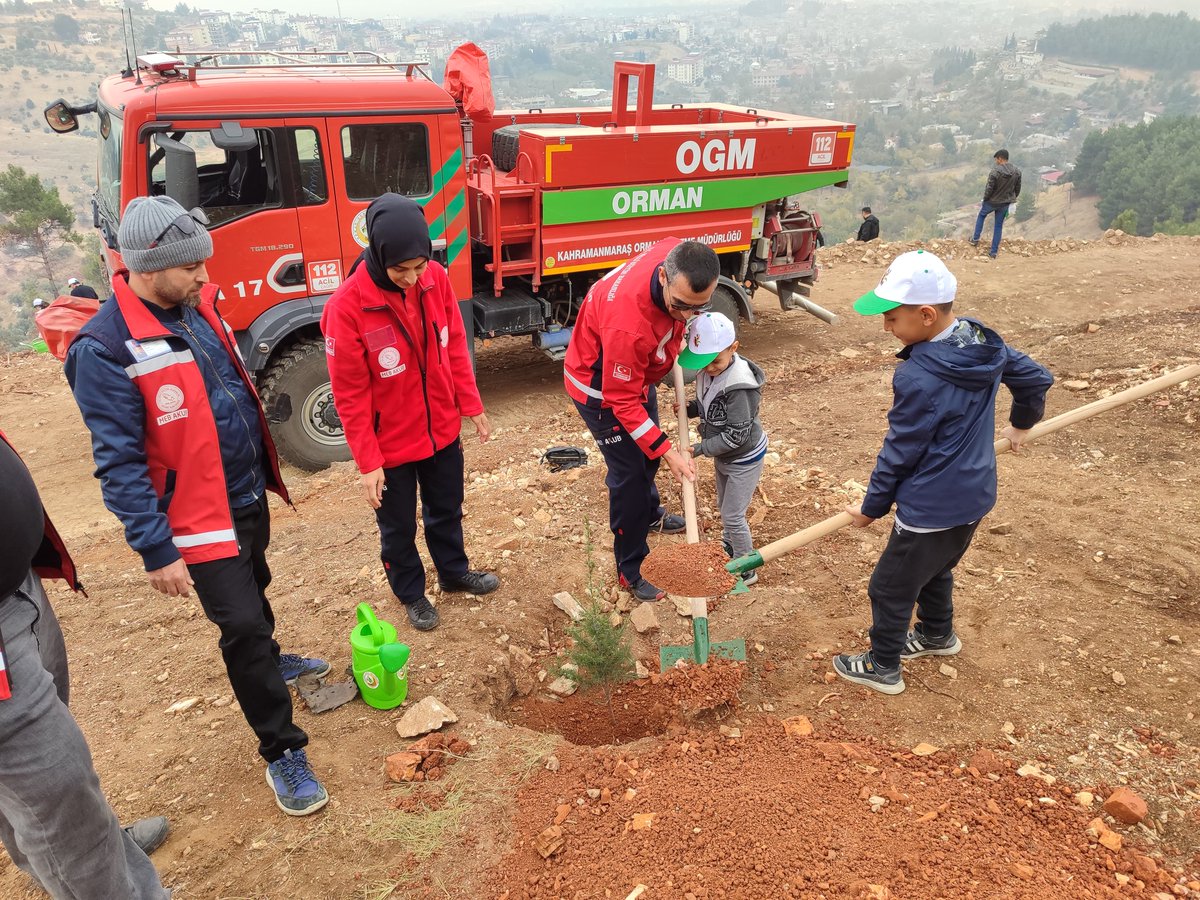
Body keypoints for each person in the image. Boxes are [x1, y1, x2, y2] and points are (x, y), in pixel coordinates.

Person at [64, 196, 330, 816]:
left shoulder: (197, 309)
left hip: (244, 493)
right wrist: (156, 549)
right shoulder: (105, 349)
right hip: (195, 520)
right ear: (150, 266)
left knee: (257, 586)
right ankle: (281, 750)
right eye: (193, 268)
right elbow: (119, 462)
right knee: (238, 623)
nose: (206, 277)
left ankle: (271, 655)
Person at [834, 250, 1053, 695]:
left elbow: (899, 452)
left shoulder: (917, 378)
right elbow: (1035, 378)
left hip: (930, 505)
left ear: (927, 315)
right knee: (935, 568)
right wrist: (1023, 423)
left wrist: (870, 508)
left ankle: (883, 667)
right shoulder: (979, 341)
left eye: (892, 318)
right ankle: (936, 635)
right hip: (975, 495)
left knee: (889, 587)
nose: (886, 327)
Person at [0, 428, 170, 899]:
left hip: (18, 591)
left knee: (40, 791)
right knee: (54, 782)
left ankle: (90, 850)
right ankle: (85, 859)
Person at [321, 194, 498, 633]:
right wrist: (368, 462)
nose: (412, 278)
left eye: (419, 267)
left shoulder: (434, 280)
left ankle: (454, 573)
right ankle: (412, 594)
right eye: (401, 270)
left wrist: (470, 406)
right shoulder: (346, 307)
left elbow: (455, 345)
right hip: (391, 445)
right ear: (378, 255)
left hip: (439, 430)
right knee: (397, 528)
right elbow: (349, 394)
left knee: (447, 508)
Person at [564, 239, 716, 601]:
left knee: (647, 455)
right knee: (629, 478)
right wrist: (669, 451)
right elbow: (621, 400)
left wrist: (658, 450)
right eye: (679, 306)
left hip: (633, 376)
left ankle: (649, 513)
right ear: (663, 276)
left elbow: (634, 385)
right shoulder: (628, 326)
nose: (685, 316)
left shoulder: (675, 252)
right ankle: (630, 569)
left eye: (698, 308)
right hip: (601, 392)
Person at [679, 312, 768, 583]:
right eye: (703, 363)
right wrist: (692, 409)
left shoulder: (740, 387)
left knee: (732, 514)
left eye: (715, 361)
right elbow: (712, 405)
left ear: (734, 348)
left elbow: (736, 436)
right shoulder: (710, 370)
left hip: (744, 458)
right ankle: (730, 545)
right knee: (723, 504)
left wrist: (700, 448)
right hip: (725, 456)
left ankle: (746, 565)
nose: (709, 368)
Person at [971, 149, 1022, 259]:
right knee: (998, 226)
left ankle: (975, 239)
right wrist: (1011, 199)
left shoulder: (995, 171)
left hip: (992, 201)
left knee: (981, 215)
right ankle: (993, 252)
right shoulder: (1017, 171)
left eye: (996, 159)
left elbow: (989, 188)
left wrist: (985, 199)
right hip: (1005, 203)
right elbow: (1017, 189)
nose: (996, 161)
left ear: (1000, 158)